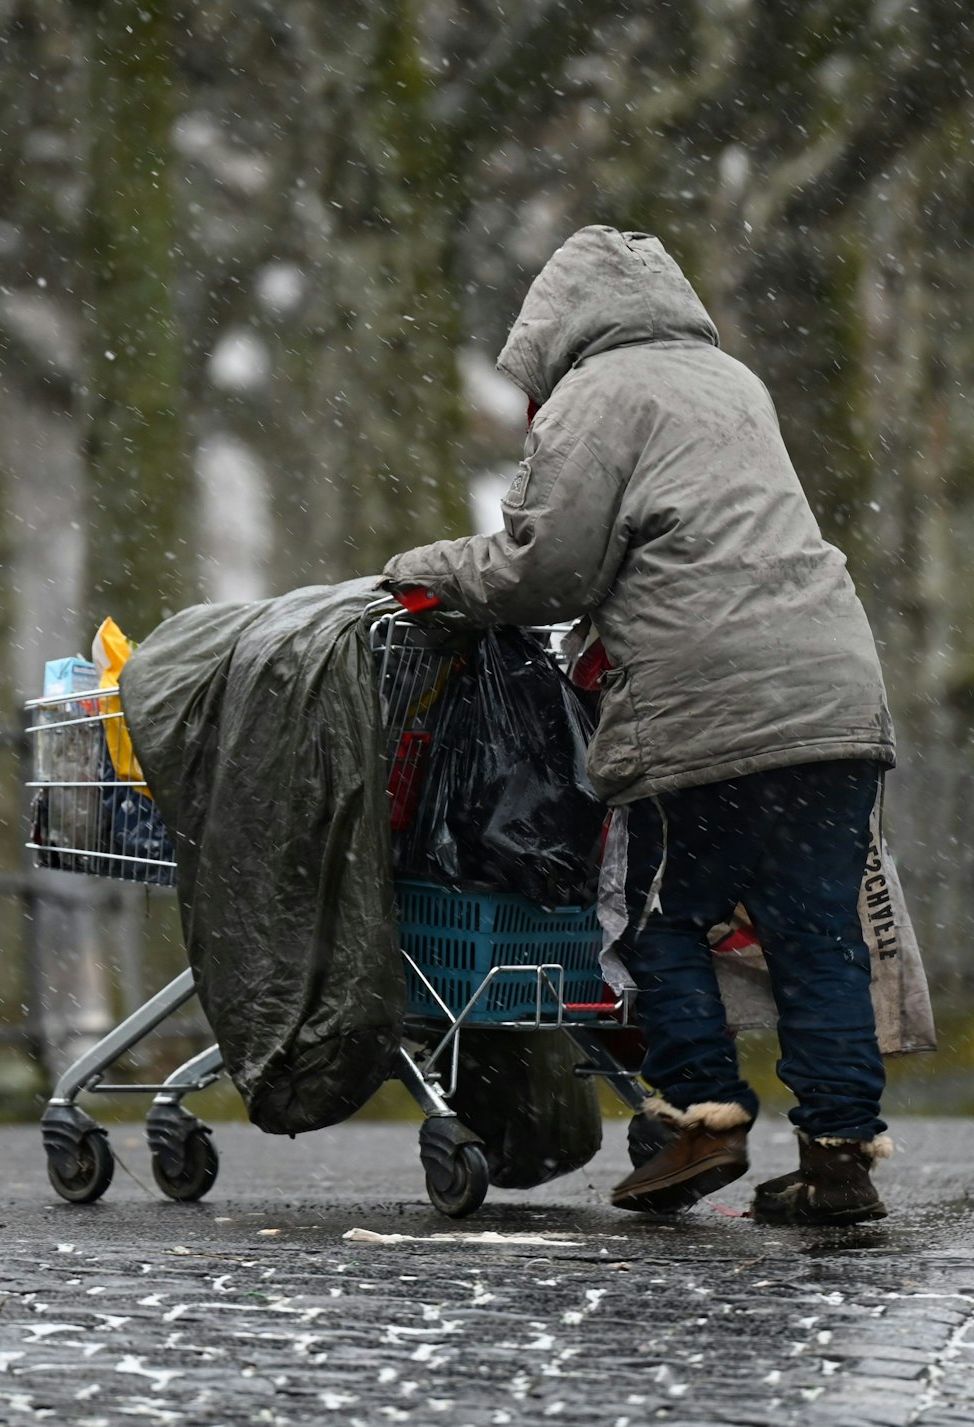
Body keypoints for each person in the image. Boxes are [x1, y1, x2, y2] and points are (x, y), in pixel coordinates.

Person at [383, 226, 896, 1225]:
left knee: (655, 915)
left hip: (704, 698)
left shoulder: (594, 394)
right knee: (815, 934)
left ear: (552, 327)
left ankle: (700, 1116)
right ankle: (838, 1157)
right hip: (834, 691)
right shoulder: (730, 380)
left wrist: (425, 569)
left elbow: (550, 567)